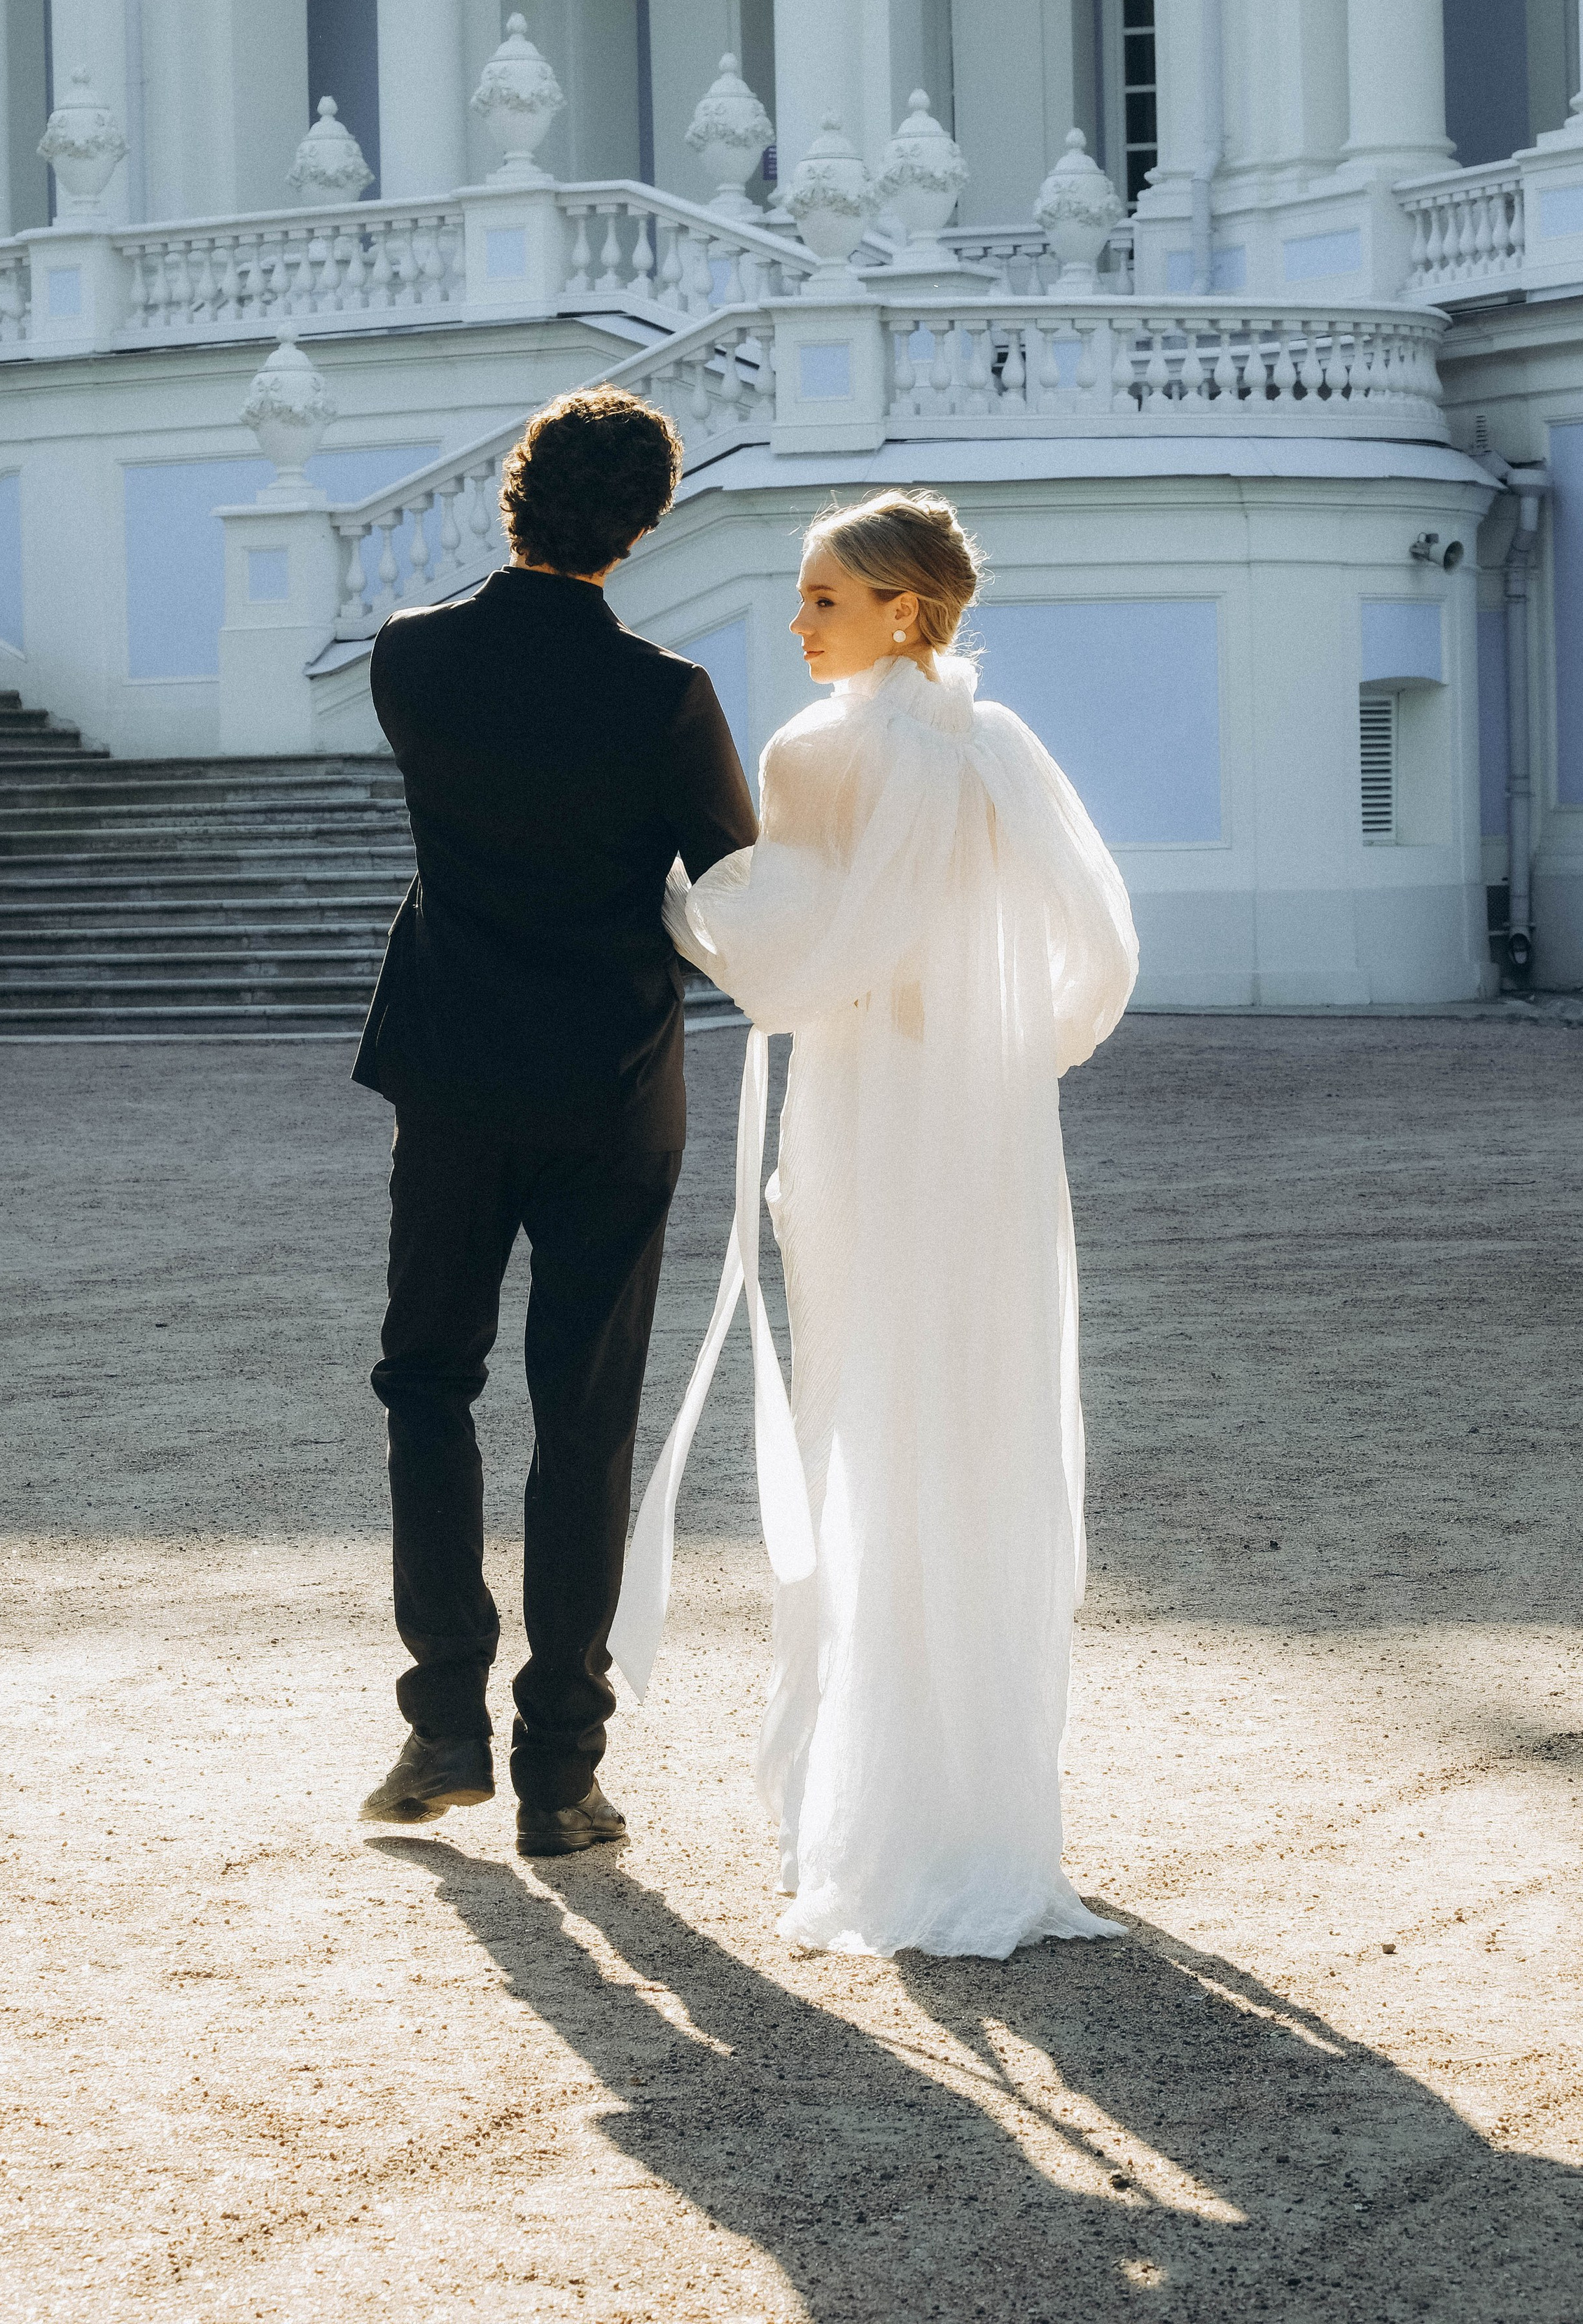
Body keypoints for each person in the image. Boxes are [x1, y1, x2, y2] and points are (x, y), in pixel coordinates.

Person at [612, 490, 1138, 1958]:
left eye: (824, 598)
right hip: (982, 1128)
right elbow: (1100, 946)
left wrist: (675, 900)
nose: (798, 622)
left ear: (904, 610)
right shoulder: (999, 744)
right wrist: (1012, 1050)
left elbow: (783, 956)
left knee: (868, 1416)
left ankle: (884, 1817)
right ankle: (984, 1811)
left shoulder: (811, 752)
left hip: (860, 1118)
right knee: (978, 1418)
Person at [354, 385, 757, 1857]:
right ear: (644, 525)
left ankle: (441, 1720)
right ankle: (559, 1773)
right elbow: (738, 883)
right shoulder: (666, 696)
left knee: (426, 1381)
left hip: (453, 1067)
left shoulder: (410, 657)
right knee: (582, 1416)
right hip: (611, 1083)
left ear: (512, 492)